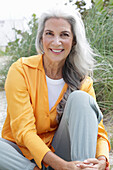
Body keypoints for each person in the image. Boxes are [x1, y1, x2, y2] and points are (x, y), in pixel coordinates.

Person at [0, 4, 110, 170]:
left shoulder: (82, 81)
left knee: (81, 99)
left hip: (63, 153)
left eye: (64, 35)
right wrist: (61, 166)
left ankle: (83, 167)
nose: (56, 42)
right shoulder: (20, 70)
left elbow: (98, 132)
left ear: (73, 41)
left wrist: (102, 160)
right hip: (22, 155)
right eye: (49, 34)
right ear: (41, 38)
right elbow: (24, 131)